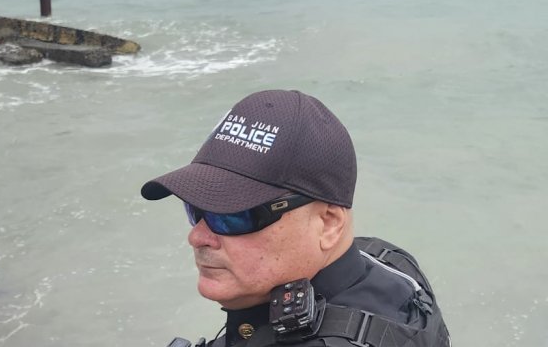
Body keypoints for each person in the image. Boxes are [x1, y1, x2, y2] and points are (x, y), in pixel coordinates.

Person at [141, 89, 450, 347]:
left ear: (328, 223)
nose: (197, 237)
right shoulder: (386, 261)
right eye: (196, 209)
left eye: (233, 216)